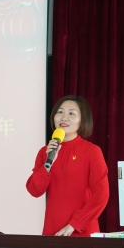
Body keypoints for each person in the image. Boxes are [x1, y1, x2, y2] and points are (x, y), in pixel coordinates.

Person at [26, 95, 109, 236]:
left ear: (82, 120)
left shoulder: (92, 151)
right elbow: (35, 190)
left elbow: (101, 194)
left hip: (81, 229)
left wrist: (75, 224)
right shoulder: (45, 152)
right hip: (53, 230)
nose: (64, 117)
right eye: (60, 112)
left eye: (71, 113)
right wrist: (48, 164)